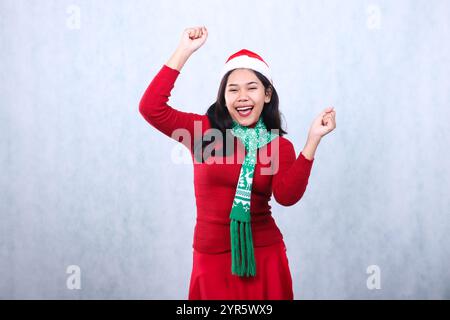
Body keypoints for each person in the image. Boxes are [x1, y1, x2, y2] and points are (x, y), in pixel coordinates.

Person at [139, 26, 336, 300]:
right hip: (211, 260)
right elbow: (151, 108)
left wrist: (312, 141)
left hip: (264, 256)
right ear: (224, 98)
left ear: (267, 95)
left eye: (251, 88)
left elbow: (287, 197)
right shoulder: (204, 133)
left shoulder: (277, 145)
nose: (242, 96)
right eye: (233, 90)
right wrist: (184, 49)